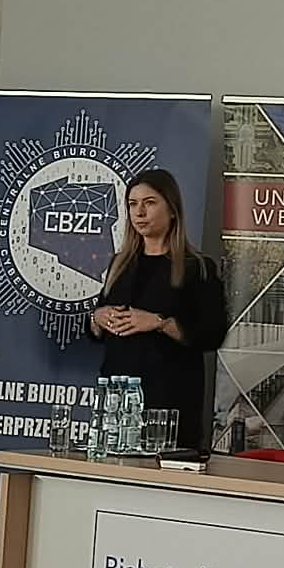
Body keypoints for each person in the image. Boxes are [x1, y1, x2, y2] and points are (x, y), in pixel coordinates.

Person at [88, 169, 228, 451]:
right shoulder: (119, 264)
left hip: (169, 402)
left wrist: (159, 322)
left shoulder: (197, 268)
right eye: (132, 204)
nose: (139, 212)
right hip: (117, 402)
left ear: (172, 210)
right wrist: (97, 318)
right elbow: (98, 332)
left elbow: (212, 335)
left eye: (149, 203)